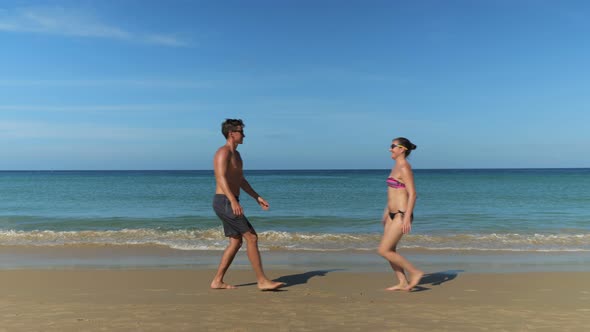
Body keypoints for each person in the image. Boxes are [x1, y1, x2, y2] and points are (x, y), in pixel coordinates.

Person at [210, 119, 284, 291]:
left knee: (236, 242)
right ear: (231, 134)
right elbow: (220, 177)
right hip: (224, 201)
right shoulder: (223, 152)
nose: (244, 135)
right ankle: (262, 281)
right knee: (251, 237)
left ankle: (217, 281)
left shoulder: (237, 155)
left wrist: (256, 197)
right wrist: (233, 201)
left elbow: (240, 180)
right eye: (241, 131)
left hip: (230, 200)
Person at [378, 137, 424, 291]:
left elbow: (413, 194)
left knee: (383, 250)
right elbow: (394, 192)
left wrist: (406, 218)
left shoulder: (404, 167)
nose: (390, 149)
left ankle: (415, 272)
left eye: (393, 146)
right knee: (391, 250)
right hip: (392, 214)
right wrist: (386, 212)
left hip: (401, 214)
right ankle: (402, 282)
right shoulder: (395, 166)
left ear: (402, 149)